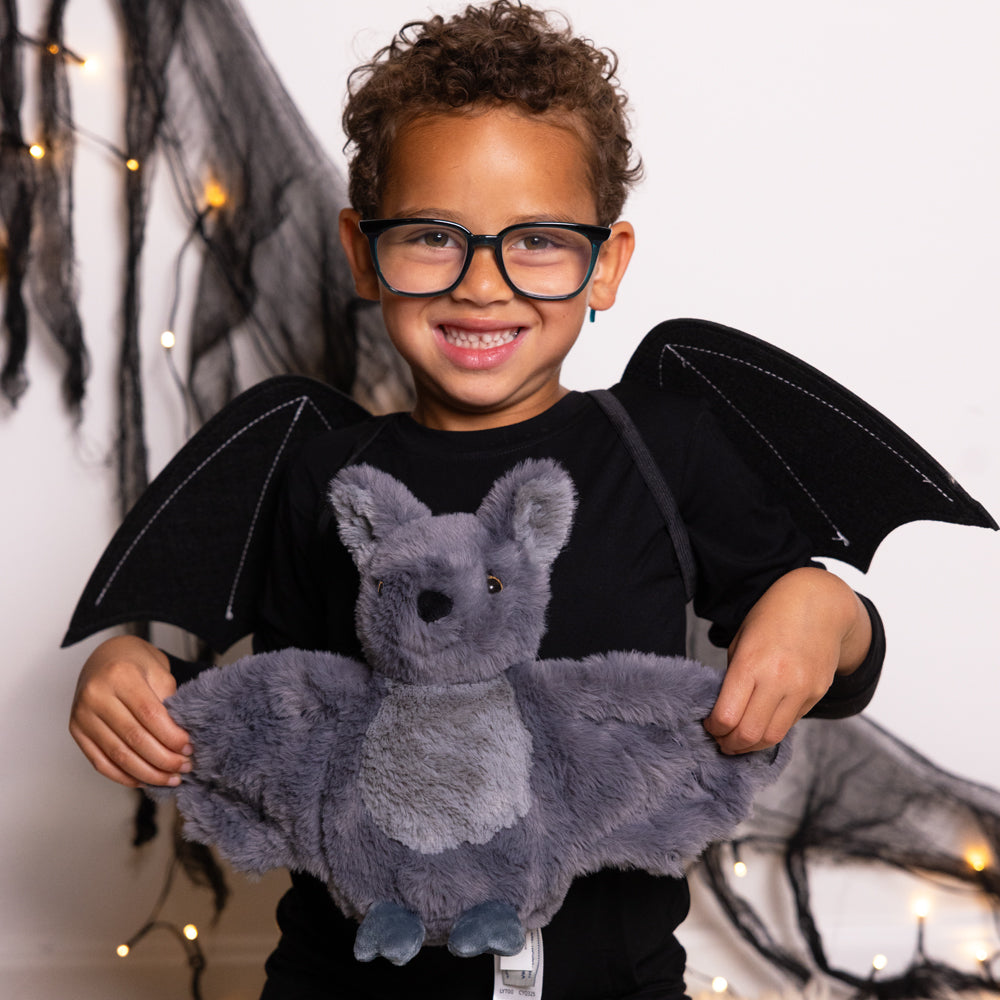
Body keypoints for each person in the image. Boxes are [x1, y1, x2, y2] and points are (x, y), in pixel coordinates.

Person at [70, 3, 884, 997]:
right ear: (363, 252)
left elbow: (836, 671)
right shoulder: (317, 472)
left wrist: (823, 605)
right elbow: (284, 714)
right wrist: (138, 669)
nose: (482, 284)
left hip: (610, 981)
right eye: (430, 237)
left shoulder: (664, 446)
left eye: (537, 241)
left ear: (608, 263)